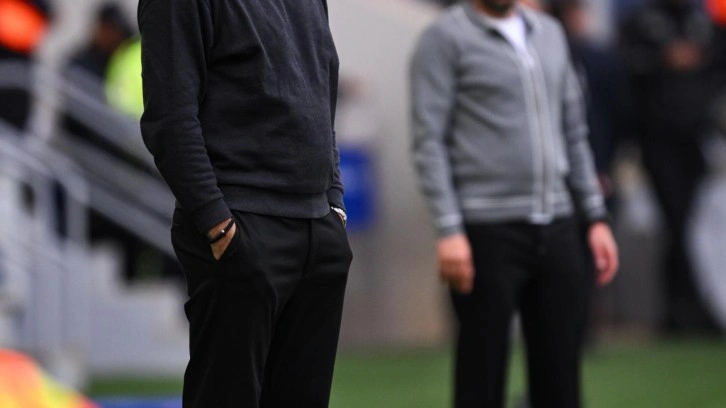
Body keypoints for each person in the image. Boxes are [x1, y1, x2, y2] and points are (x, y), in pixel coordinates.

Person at [138, 0, 352, 407]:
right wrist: (215, 221)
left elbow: (322, 97)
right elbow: (170, 117)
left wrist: (333, 202)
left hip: (317, 228)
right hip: (240, 228)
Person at [410, 1, 619, 407]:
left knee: (561, 381)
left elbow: (574, 131)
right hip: (485, 229)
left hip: (558, 224)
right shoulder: (444, 38)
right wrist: (449, 229)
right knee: (481, 377)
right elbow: (429, 141)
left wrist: (595, 216)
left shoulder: (550, 33)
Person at [620, 0, 721, 334]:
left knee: (695, 225)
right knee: (675, 222)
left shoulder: (701, 22)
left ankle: (697, 305)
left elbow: (716, 65)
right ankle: (680, 309)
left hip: (698, 139)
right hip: (658, 140)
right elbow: (627, 69)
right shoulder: (643, 24)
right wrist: (663, 59)